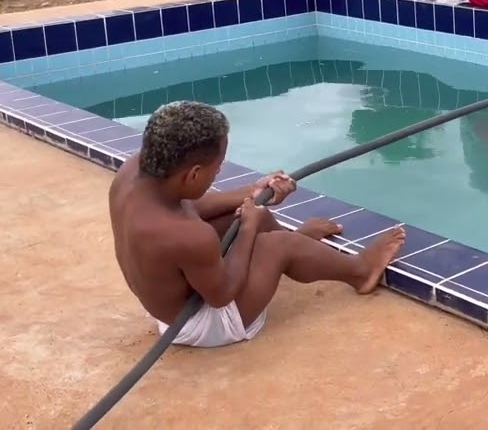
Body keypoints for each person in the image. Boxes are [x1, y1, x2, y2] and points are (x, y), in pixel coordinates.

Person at [108, 100, 407, 348]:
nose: (220, 171)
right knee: (275, 243)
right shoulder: (187, 236)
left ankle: (301, 252)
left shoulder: (133, 174)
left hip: (170, 306)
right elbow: (222, 293)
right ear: (193, 175)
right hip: (199, 324)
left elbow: (189, 205)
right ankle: (360, 271)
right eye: (218, 166)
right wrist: (249, 230)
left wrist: (252, 192)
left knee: (257, 214)